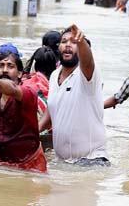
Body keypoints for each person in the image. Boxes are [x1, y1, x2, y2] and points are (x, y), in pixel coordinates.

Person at [38, 24, 110, 167]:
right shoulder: (54, 75)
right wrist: (33, 131)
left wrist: (81, 41)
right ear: (58, 48)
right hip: (64, 164)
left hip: (92, 161)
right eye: (64, 42)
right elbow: (52, 109)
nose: (68, 45)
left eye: (73, 42)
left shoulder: (87, 75)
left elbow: (88, 61)